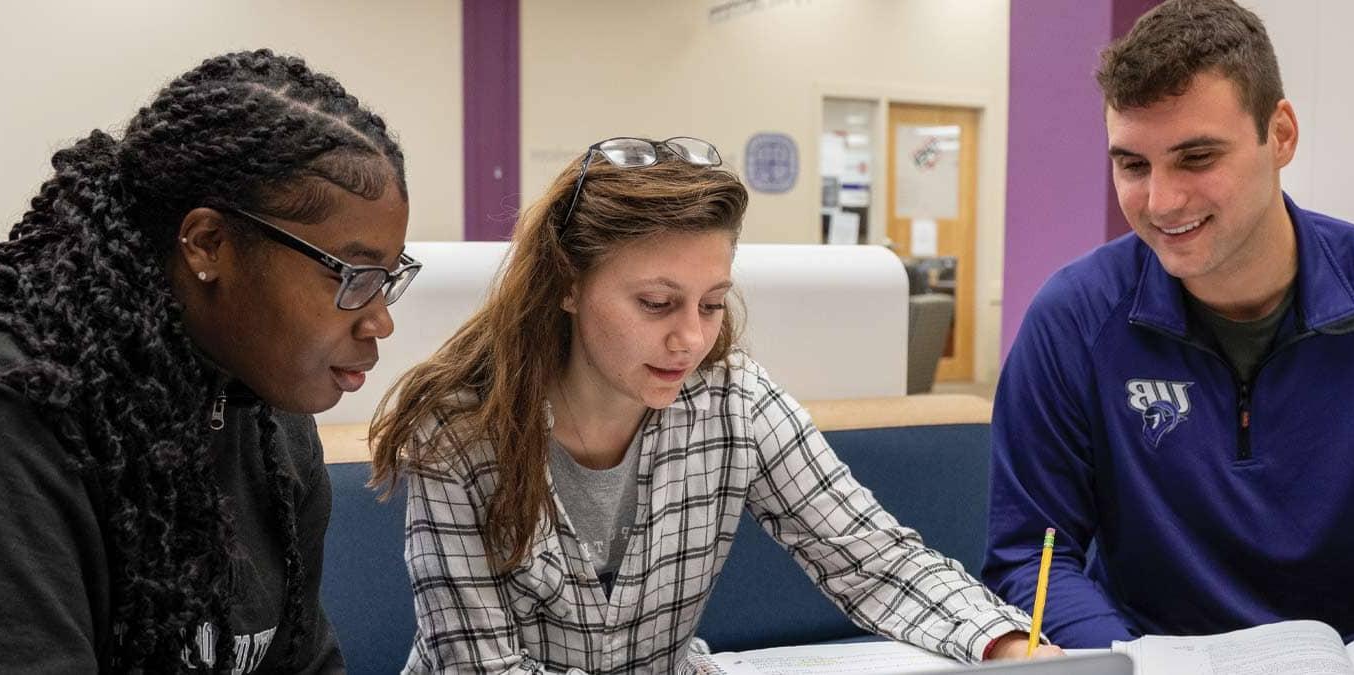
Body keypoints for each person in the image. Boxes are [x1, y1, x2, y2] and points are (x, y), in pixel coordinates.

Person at [0, 49, 417, 673]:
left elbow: (305, 663)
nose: (379, 320)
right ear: (209, 243)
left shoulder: (267, 422)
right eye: (353, 275)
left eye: (387, 278)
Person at [983, 0, 1354, 651]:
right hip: (1145, 657)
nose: (1161, 201)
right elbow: (1031, 553)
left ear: (1280, 134)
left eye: (1196, 157)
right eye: (1133, 165)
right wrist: (1124, 665)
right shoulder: (1072, 318)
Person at [370, 137, 1058, 673]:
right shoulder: (459, 433)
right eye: (656, 303)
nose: (692, 338)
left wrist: (1002, 642)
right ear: (568, 284)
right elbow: (480, 668)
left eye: (712, 302)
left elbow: (874, 558)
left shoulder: (736, 402)